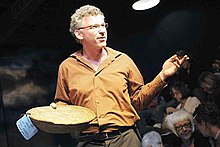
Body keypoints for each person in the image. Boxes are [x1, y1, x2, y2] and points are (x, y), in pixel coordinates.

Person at [51, 4, 188, 147]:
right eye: (94, 27)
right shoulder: (67, 67)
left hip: (124, 138)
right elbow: (63, 104)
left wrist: (163, 75)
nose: (102, 31)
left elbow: (139, 101)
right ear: (79, 34)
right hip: (88, 141)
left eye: (103, 25)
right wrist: (55, 111)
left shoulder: (123, 60)